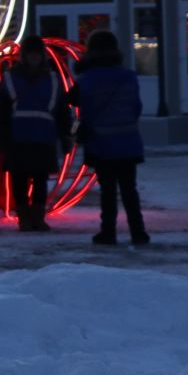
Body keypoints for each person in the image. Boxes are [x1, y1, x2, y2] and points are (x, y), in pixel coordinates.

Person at [69, 29, 146, 246]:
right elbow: (136, 107)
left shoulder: (87, 79)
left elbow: (72, 99)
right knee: (130, 189)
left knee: (108, 191)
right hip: (128, 142)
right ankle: (138, 232)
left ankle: (108, 232)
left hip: (101, 144)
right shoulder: (128, 77)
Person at [0, 35, 72, 232]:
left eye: (37, 55)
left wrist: (66, 134)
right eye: (31, 55)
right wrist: (1, 139)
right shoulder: (11, 78)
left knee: (40, 180)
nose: (34, 59)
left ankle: (37, 217)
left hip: (43, 137)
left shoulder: (52, 79)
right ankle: (24, 218)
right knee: (19, 180)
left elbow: (62, 110)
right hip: (18, 138)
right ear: (24, 56)